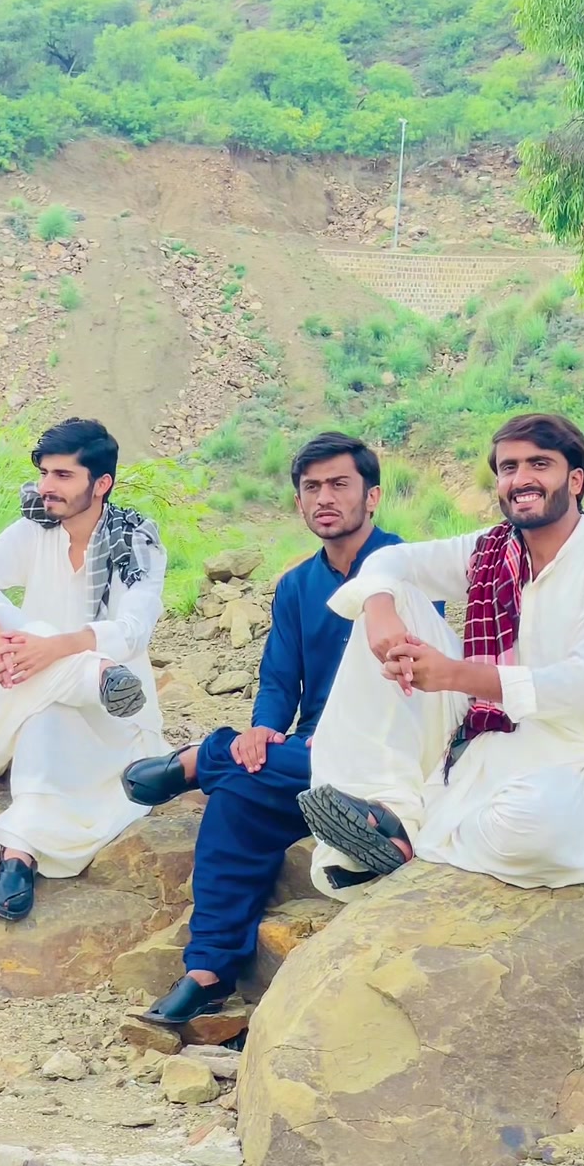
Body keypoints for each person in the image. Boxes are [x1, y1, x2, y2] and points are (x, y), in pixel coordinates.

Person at [299, 412, 584, 894]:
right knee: (389, 595)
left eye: (539, 464)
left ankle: (414, 833)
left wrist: (454, 675)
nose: (521, 479)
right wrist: (378, 607)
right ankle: (387, 807)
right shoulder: (493, 548)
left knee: (533, 823)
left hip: (579, 760)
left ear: (575, 479)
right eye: (508, 468)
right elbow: (388, 559)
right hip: (488, 743)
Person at [121, 433, 403, 1033]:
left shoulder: (405, 567)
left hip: (388, 752)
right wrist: (261, 733)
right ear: (299, 502)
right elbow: (279, 681)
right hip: (308, 760)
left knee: (231, 773)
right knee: (239, 792)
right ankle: (208, 972)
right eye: (311, 488)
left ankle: (200, 758)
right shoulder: (297, 586)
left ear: (372, 496)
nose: (324, 498)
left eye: (339, 484)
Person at [0, 417, 168, 921]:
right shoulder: (37, 528)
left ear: (101, 483)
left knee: (47, 715)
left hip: (106, 717)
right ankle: (93, 674)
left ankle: (18, 853)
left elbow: (134, 630)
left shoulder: (136, 543)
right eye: (44, 472)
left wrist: (56, 648)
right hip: (31, 685)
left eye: (63, 475)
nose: (46, 486)